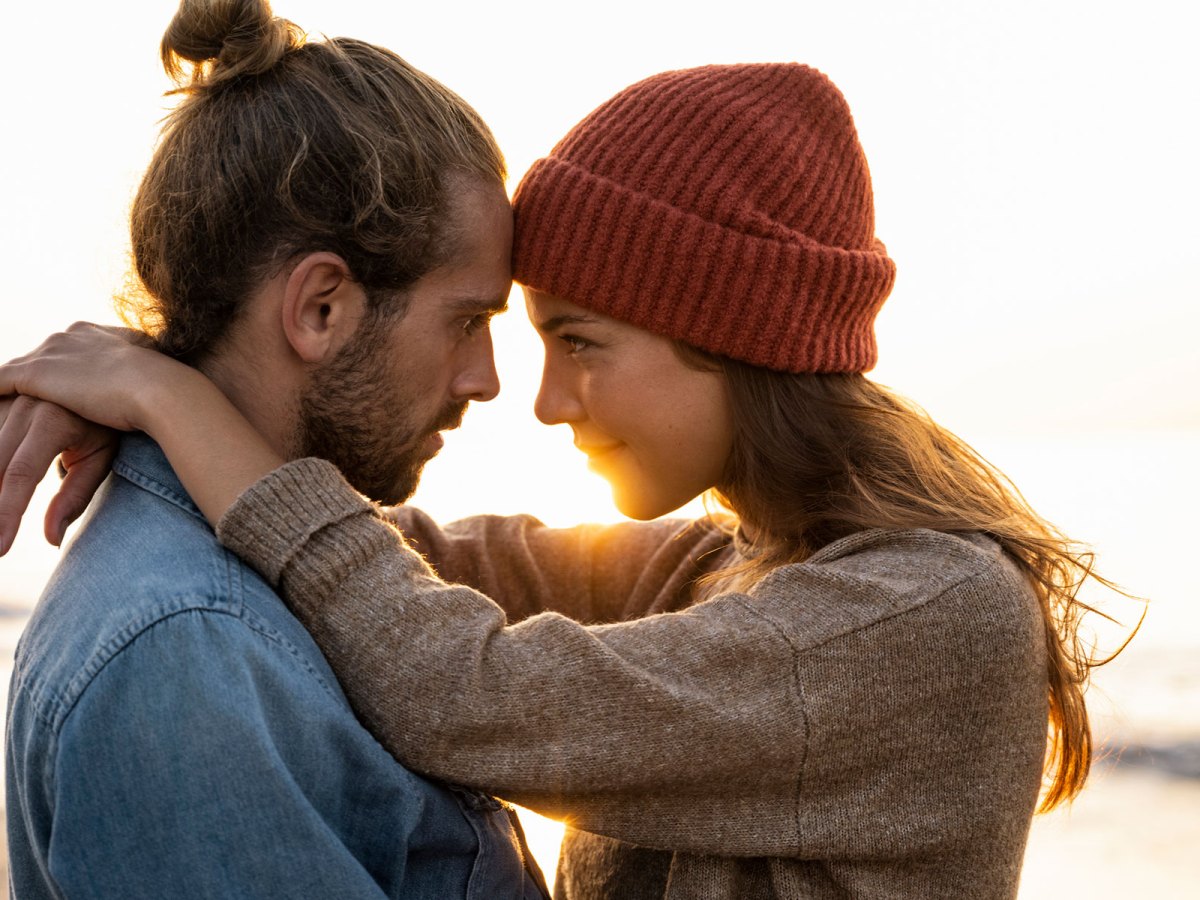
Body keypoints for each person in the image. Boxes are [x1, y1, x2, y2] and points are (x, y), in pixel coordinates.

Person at [0, 63, 1128, 899]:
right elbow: (422, 561)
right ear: (318, 304)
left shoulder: (920, 615)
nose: (537, 399)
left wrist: (178, 401)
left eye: (578, 342)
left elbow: (469, 693)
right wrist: (164, 375)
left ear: (729, 335)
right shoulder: (736, 573)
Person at [0, 1, 550, 897]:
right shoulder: (188, 654)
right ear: (319, 307)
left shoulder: (261, 589)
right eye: (468, 321)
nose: (485, 379)